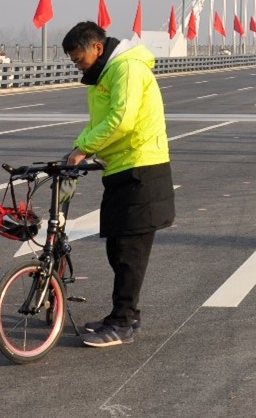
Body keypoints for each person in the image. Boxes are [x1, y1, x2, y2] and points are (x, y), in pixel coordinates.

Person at [61, 21, 175, 347]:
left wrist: (83, 148)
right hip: (122, 169)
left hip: (142, 169)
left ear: (97, 48)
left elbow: (121, 120)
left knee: (129, 252)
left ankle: (123, 322)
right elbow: (103, 121)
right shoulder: (108, 73)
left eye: (79, 58)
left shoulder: (126, 68)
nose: (77, 65)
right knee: (117, 248)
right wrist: (84, 147)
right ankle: (123, 315)